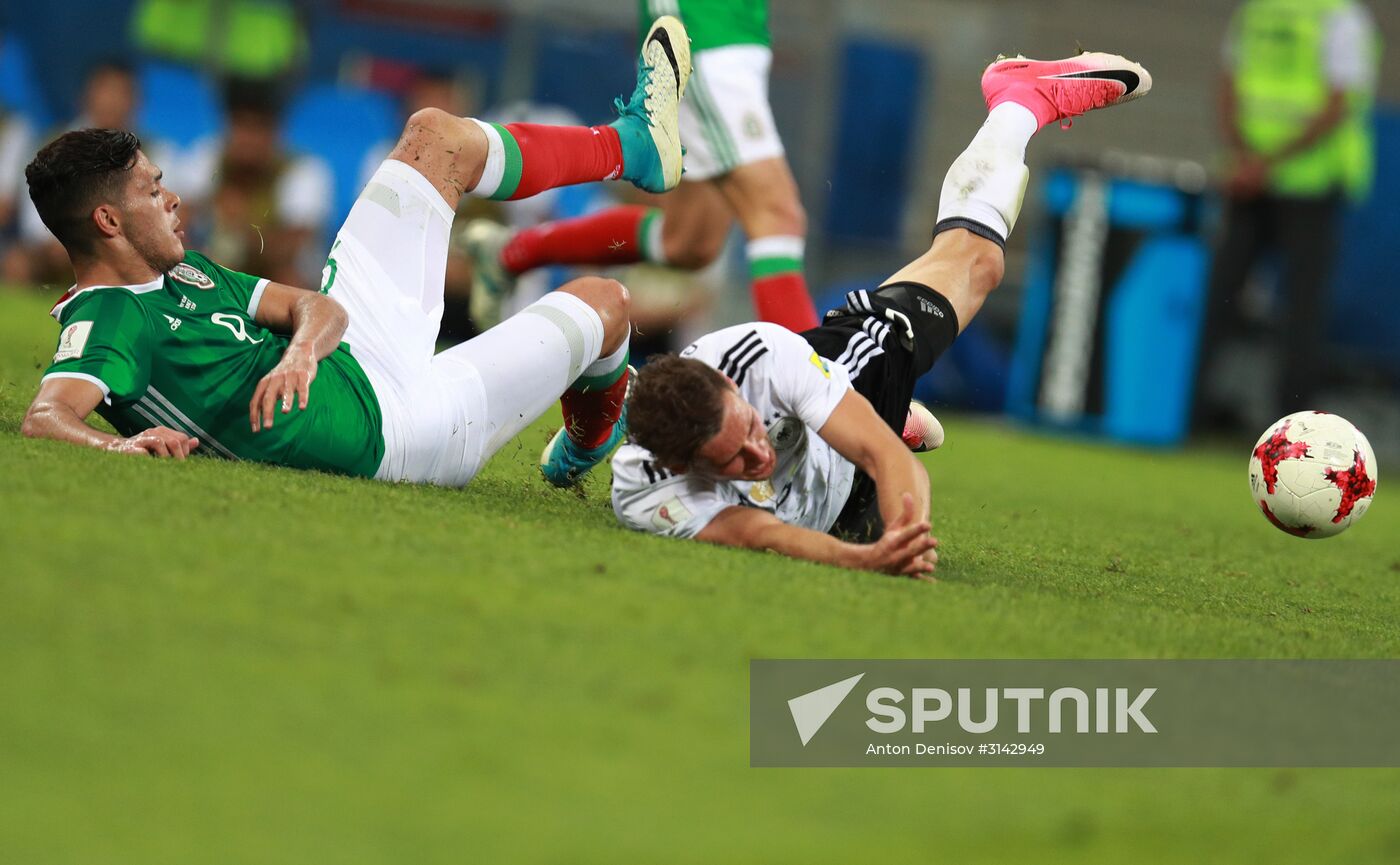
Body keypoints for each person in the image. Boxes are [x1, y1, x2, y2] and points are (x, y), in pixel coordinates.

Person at [19, 18, 690, 490]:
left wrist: (303, 348)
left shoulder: (184, 270)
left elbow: (313, 304)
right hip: (403, 432)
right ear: (107, 220)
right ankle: (583, 444)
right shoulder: (109, 321)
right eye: (151, 191)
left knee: (434, 134)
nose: (173, 200)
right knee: (607, 305)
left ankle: (633, 144)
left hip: (355, 344)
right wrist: (123, 444)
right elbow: (47, 414)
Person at [605, 51, 1152, 577]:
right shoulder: (644, 492)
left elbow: (892, 462)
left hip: (845, 372)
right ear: (680, 467)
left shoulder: (763, 358)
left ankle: (1019, 100)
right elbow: (757, 534)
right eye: (730, 460)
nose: (756, 454)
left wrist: (906, 541)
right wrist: (866, 558)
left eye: (748, 429)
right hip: (829, 507)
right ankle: (869, 416)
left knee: (977, 263)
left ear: (732, 390)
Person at [462, 0, 818, 334]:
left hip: (738, 35)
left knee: (689, 243)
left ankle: (514, 250)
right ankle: (813, 390)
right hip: (707, 31)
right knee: (777, 214)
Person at [1196, 0, 1380, 427]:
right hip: (1286, 178)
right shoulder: (1337, 15)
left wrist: (1250, 160)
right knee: (1286, 305)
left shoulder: (1267, 11)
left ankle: (1290, 423)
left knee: (1239, 298)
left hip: (1300, 184)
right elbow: (1339, 102)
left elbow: (1230, 85)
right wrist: (1254, 162)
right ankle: (1289, 427)